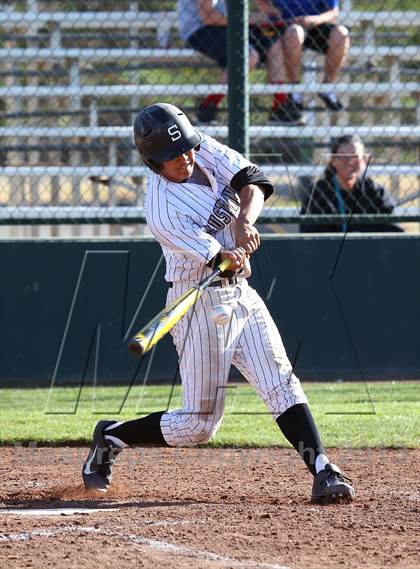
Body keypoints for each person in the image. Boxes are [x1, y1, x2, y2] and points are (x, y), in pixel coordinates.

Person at [82, 103, 355, 504]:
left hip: (239, 294)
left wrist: (245, 220)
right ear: (153, 162)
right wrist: (232, 255)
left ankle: (322, 469)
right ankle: (110, 436)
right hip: (197, 305)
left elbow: (253, 179)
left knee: (280, 381)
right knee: (199, 424)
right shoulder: (162, 209)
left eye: (187, 148)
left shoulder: (200, 149)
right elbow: (219, 261)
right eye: (173, 157)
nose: (186, 158)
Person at [176, 0, 289, 124]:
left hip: (229, 24)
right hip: (200, 30)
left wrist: (269, 13)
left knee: (274, 42)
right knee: (248, 56)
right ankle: (207, 107)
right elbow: (208, 17)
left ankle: (281, 106)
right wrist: (250, 18)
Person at [257, 0, 350, 124]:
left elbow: (333, 11)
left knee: (341, 34)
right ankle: (295, 91)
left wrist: (315, 19)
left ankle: (327, 87)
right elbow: (261, 2)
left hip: (316, 24)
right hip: (287, 25)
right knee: (294, 33)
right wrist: (273, 12)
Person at [300, 134, 404, 233]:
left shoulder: (377, 192)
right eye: (344, 157)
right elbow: (310, 235)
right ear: (333, 161)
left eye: (355, 157)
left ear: (364, 160)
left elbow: (394, 231)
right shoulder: (318, 193)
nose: (350, 162)